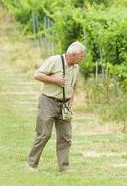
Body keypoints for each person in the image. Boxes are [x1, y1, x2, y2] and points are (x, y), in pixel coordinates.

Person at [27, 41, 86, 172]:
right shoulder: (54, 60)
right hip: (48, 101)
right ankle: (31, 164)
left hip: (65, 104)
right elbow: (37, 75)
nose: (83, 58)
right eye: (81, 56)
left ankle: (64, 167)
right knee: (44, 134)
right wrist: (55, 80)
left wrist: (71, 99)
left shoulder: (76, 67)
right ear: (72, 54)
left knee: (65, 137)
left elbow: (74, 84)